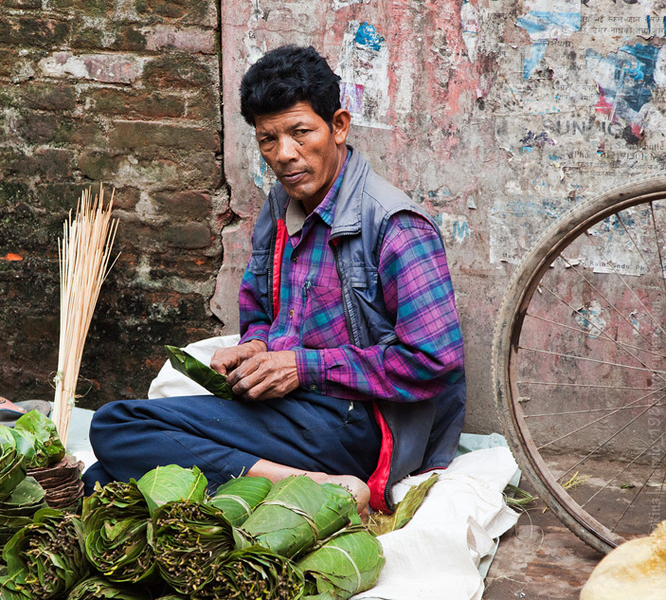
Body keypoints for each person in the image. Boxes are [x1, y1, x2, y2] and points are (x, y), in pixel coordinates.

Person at [81, 44, 466, 515]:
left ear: (339, 126)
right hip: (291, 406)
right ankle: (311, 485)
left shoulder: (394, 226)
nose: (285, 154)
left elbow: (433, 361)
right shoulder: (279, 209)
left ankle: (332, 487)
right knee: (102, 478)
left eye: (301, 133)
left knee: (117, 427)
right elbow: (261, 311)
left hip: (361, 423)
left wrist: (302, 367)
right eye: (268, 140)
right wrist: (257, 348)